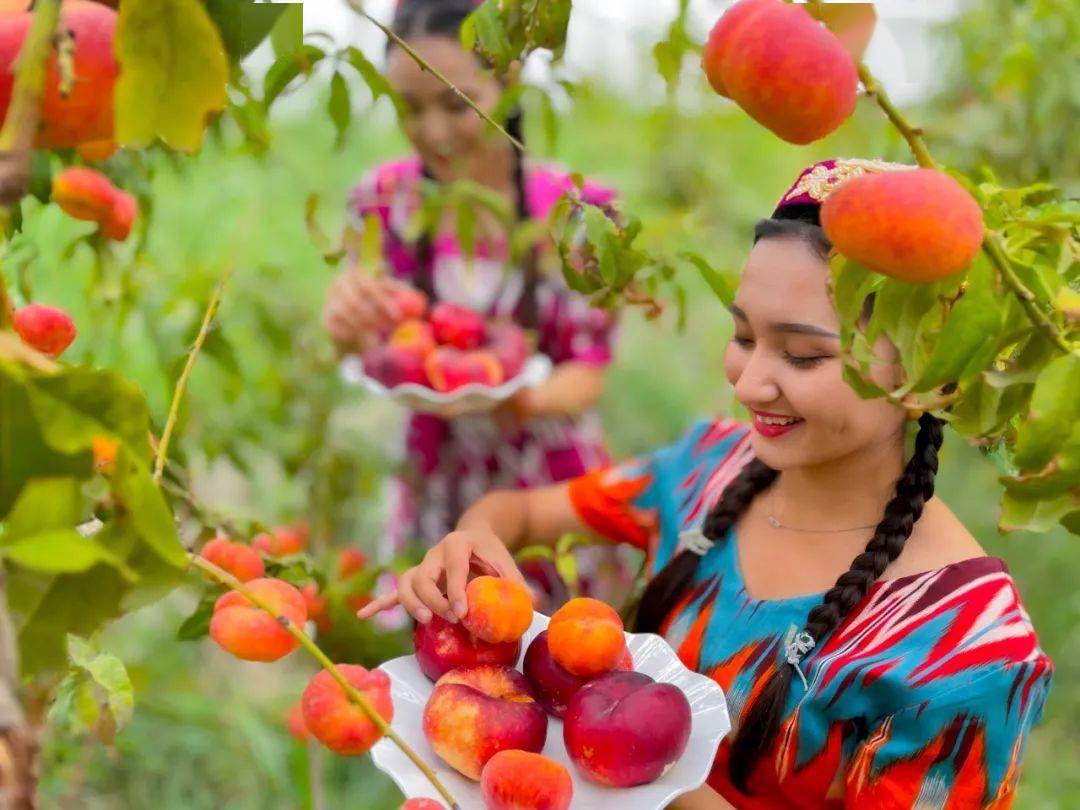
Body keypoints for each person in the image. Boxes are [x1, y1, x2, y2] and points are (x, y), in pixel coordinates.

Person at [359, 159, 1053, 808]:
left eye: (805, 354)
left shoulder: (968, 653)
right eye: (745, 337)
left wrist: (661, 780)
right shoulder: (708, 472)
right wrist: (473, 543)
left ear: (929, 374)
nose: (749, 384)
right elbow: (517, 512)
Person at [324, 0, 630, 603]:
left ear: (509, 82)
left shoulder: (578, 214)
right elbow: (375, 348)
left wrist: (507, 395)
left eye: (456, 103)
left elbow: (586, 374)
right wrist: (347, 322)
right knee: (440, 644)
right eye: (410, 109)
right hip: (435, 474)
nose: (434, 131)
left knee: (560, 647)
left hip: (543, 481)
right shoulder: (384, 200)